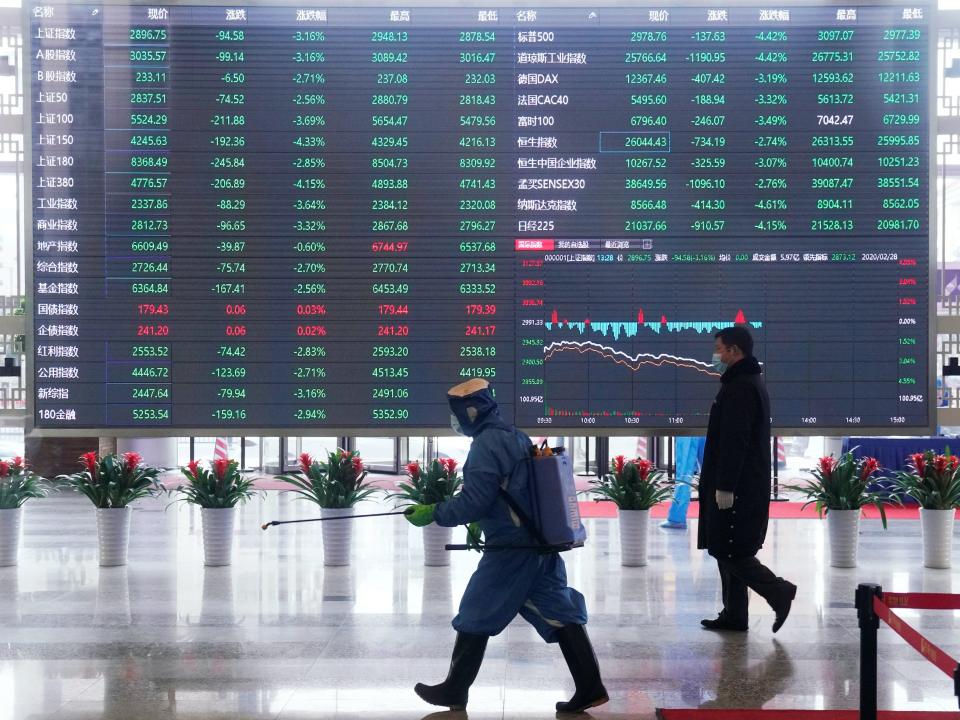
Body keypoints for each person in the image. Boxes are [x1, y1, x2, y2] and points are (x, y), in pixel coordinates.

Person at [404, 378, 607, 713]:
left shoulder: (485, 444)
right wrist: (477, 521)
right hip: (540, 542)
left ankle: (456, 689)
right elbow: (508, 492)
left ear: (470, 411)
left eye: (456, 414)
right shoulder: (514, 435)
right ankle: (590, 686)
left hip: (512, 550)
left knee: (476, 610)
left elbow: (475, 500)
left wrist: (435, 513)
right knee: (559, 609)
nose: (455, 421)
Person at [698, 326, 797, 633]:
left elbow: (735, 441)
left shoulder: (740, 387)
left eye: (719, 348)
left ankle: (779, 591)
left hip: (738, 488)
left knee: (732, 550)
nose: (715, 355)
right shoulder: (742, 381)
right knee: (726, 548)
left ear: (734, 351)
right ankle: (735, 614)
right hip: (740, 484)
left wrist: (726, 486)